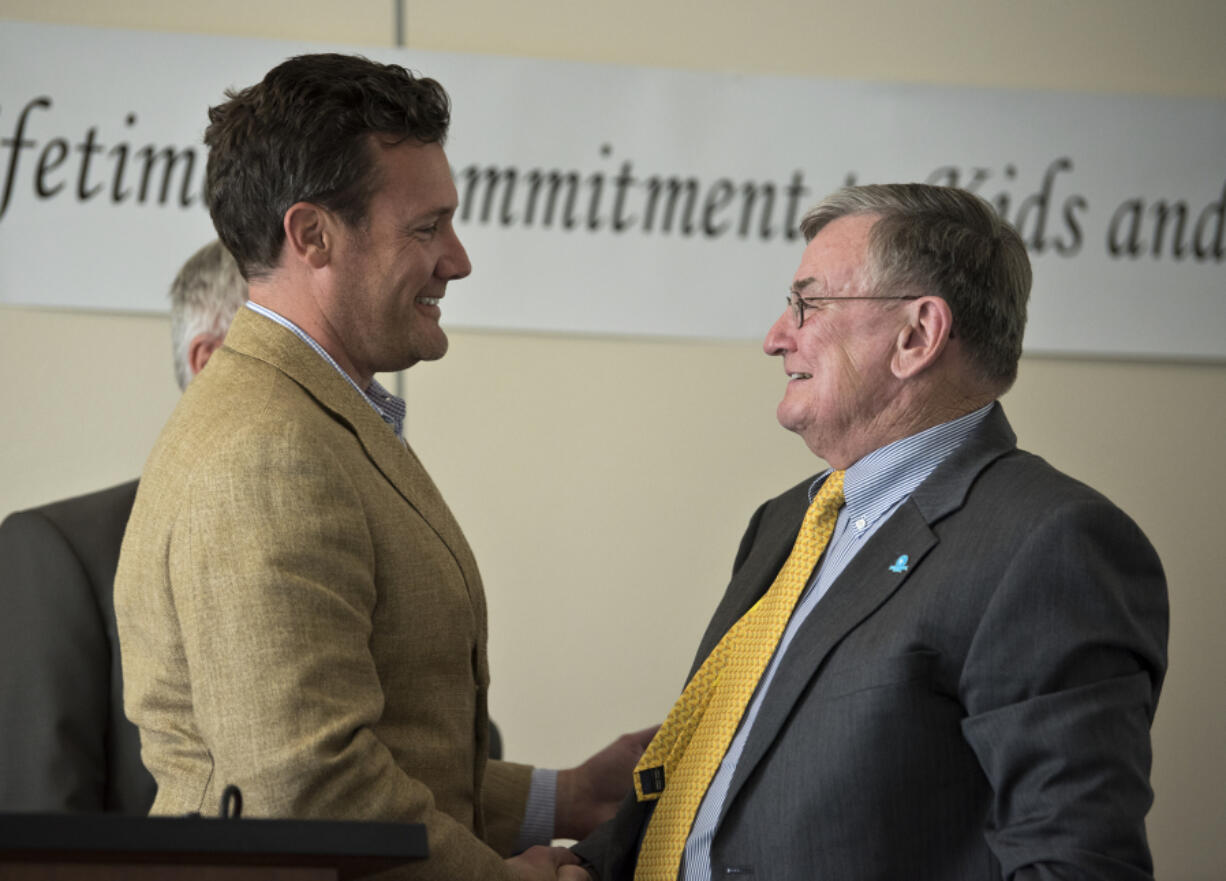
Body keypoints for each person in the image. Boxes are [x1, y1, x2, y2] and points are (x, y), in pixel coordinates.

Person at [114, 53, 642, 881]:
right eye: (426, 227)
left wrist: (564, 796)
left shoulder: (306, 414)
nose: (458, 259)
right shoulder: (270, 450)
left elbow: (388, 746)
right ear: (312, 235)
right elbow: (307, 786)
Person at [573, 183, 1168, 880]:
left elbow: (1075, 864)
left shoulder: (1051, 541)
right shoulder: (787, 518)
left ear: (917, 335)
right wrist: (592, 864)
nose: (775, 336)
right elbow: (715, 769)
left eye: (808, 303)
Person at [0, 239, 247, 813]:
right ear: (209, 363)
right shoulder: (57, 554)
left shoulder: (361, 542)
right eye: (298, 355)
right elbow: (45, 843)